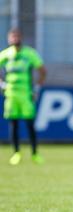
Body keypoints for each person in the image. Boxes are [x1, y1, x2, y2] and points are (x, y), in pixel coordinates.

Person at [0, 28, 46, 165]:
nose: (14, 39)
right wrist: (2, 84)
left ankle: (35, 154)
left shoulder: (29, 54)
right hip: (11, 95)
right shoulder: (5, 54)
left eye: (17, 36)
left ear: (21, 38)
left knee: (30, 124)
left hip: (26, 94)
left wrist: (36, 88)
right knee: (13, 124)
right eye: (12, 37)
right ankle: (16, 153)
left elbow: (42, 71)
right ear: (8, 39)